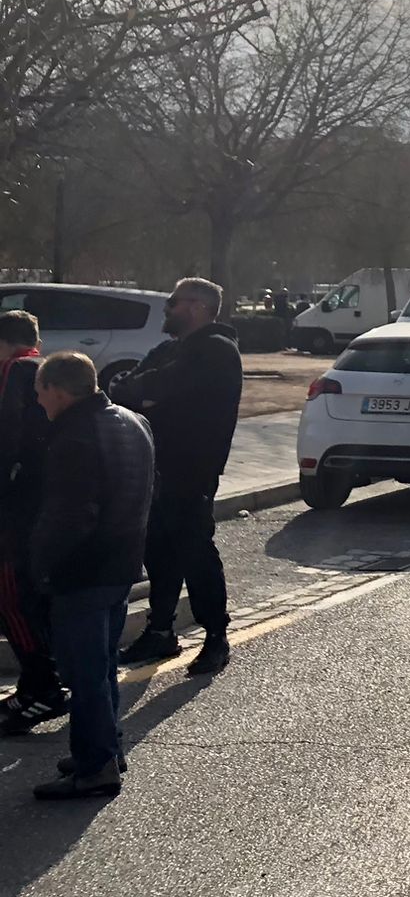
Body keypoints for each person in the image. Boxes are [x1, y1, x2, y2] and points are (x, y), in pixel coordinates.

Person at [30, 352, 153, 800]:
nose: (38, 400)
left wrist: (41, 565)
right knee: (101, 667)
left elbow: (70, 515)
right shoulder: (133, 422)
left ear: (58, 391)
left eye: (40, 391)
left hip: (84, 569)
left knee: (84, 673)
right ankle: (104, 748)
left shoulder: (74, 436)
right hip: (121, 562)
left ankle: (96, 765)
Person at [111, 277, 241, 676]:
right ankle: (160, 629)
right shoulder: (171, 349)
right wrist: (142, 392)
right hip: (156, 466)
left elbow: (159, 384)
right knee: (158, 551)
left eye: (173, 303)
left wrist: (147, 392)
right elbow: (121, 387)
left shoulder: (217, 350)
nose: (166, 310)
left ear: (199, 307)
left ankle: (216, 636)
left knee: (195, 551)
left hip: (192, 469)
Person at [0, 310, 65, 734]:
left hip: (15, 510)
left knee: (13, 598)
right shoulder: (40, 369)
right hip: (35, 505)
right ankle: (37, 682)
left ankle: (42, 686)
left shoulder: (16, 370)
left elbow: (8, 440)